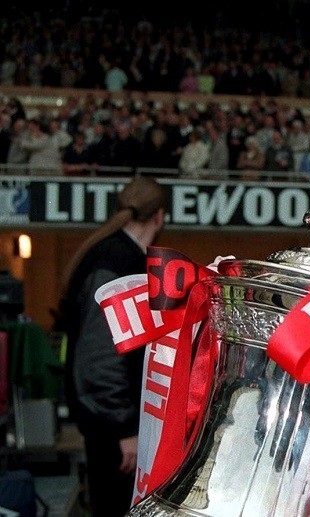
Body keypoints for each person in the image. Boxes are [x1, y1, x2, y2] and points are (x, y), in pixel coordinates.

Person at [58, 176, 167, 517]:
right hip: (114, 429)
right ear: (159, 216)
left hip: (110, 422)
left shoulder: (111, 255)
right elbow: (101, 355)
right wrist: (124, 428)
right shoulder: (117, 263)